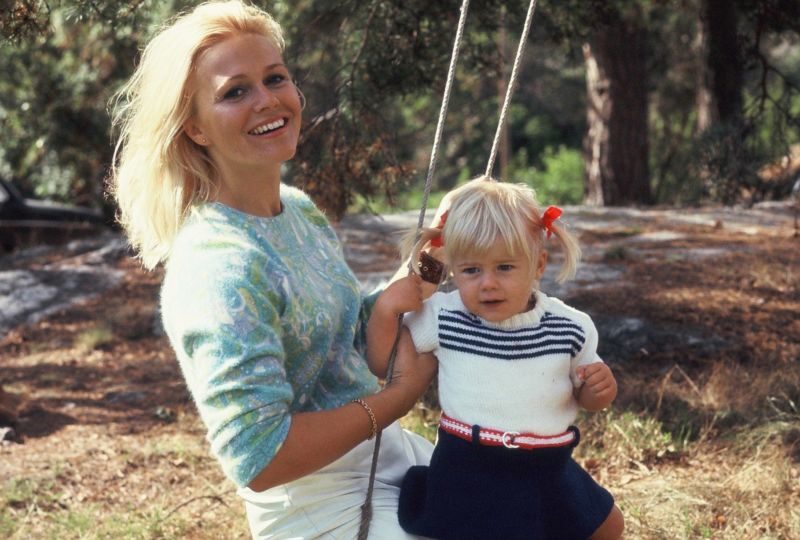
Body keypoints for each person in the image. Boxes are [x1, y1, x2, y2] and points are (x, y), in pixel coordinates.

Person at [107, 1, 438, 538]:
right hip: (318, 505)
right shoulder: (217, 268)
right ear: (195, 128)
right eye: (235, 92)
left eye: (275, 78)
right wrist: (396, 399)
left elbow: (340, 338)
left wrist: (413, 280)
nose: (267, 100)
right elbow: (260, 458)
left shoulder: (297, 209)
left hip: (388, 458)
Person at [366, 178, 625, 540]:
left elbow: (587, 395)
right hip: (470, 468)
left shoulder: (570, 327)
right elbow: (384, 364)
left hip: (546, 467)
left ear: (538, 265)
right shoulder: (445, 316)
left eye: (504, 267)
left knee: (608, 525)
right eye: (471, 270)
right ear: (454, 269)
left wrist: (598, 390)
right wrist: (385, 312)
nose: (487, 283)